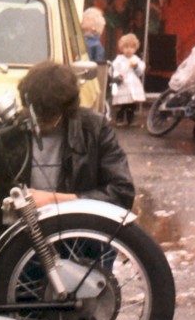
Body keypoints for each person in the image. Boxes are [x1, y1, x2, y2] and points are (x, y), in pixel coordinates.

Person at [17, 61, 135, 211]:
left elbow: (122, 192)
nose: (37, 126)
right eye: (31, 116)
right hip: (20, 228)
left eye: (46, 120)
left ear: (65, 111)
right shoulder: (11, 132)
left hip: (76, 227)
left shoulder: (95, 128)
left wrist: (54, 200)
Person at [110, 33, 145, 126]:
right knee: (121, 103)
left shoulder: (136, 59)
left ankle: (131, 119)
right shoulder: (119, 59)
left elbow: (140, 72)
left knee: (132, 103)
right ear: (121, 48)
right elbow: (114, 69)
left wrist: (136, 67)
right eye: (126, 47)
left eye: (131, 47)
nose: (129, 50)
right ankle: (119, 118)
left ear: (135, 48)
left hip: (133, 82)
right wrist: (117, 76)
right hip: (123, 82)